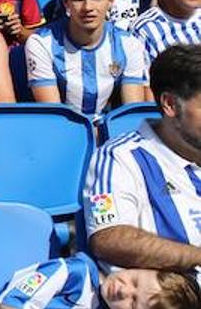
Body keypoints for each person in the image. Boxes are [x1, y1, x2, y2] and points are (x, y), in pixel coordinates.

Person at [83, 44, 201, 272]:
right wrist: (196, 256)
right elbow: (109, 238)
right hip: (175, 300)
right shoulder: (120, 157)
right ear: (170, 104)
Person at [26, 0, 147, 115]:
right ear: (66, 2)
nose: (88, 7)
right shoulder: (41, 43)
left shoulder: (129, 44)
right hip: (62, 133)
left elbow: (131, 114)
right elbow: (54, 117)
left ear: (111, 1)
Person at [0, 251, 201, 309]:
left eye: (133, 302)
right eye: (135, 281)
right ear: (139, 267)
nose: (123, 291)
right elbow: (10, 304)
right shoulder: (73, 273)